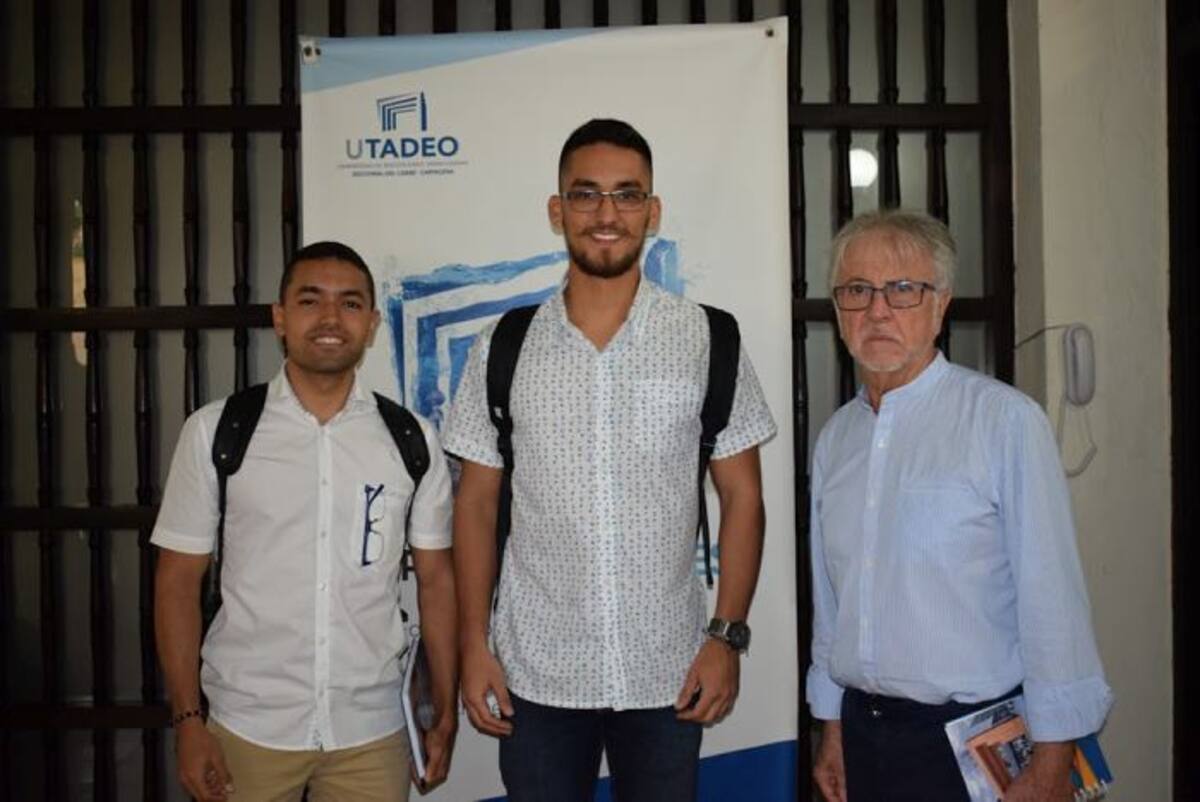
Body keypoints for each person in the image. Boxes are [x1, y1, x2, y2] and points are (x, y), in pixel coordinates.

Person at [442, 118, 777, 801]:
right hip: (536, 673)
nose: (606, 214)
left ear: (653, 213)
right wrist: (473, 645)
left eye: (627, 196)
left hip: (668, 670)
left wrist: (728, 639)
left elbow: (743, 499)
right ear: (556, 209)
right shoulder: (503, 347)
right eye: (586, 194)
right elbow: (475, 505)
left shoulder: (707, 339)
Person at [807, 210, 1113, 802]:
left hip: (974, 745)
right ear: (837, 307)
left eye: (902, 290)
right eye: (857, 290)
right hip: (864, 737)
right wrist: (832, 728)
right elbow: (831, 604)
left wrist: (1052, 764)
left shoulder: (1003, 422)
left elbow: (1053, 601)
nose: (877, 310)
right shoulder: (836, 439)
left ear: (940, 304)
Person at [153, 241, 458, 802]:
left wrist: (442, 709)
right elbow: (176, 582)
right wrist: (188, 721)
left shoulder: (411, 440)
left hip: (370, 732)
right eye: (310, 300)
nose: (329, 319)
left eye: (349, 304)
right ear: (280, 316)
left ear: (369, 323)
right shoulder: (217, 431)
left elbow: (437, 582)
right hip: (248, 727)